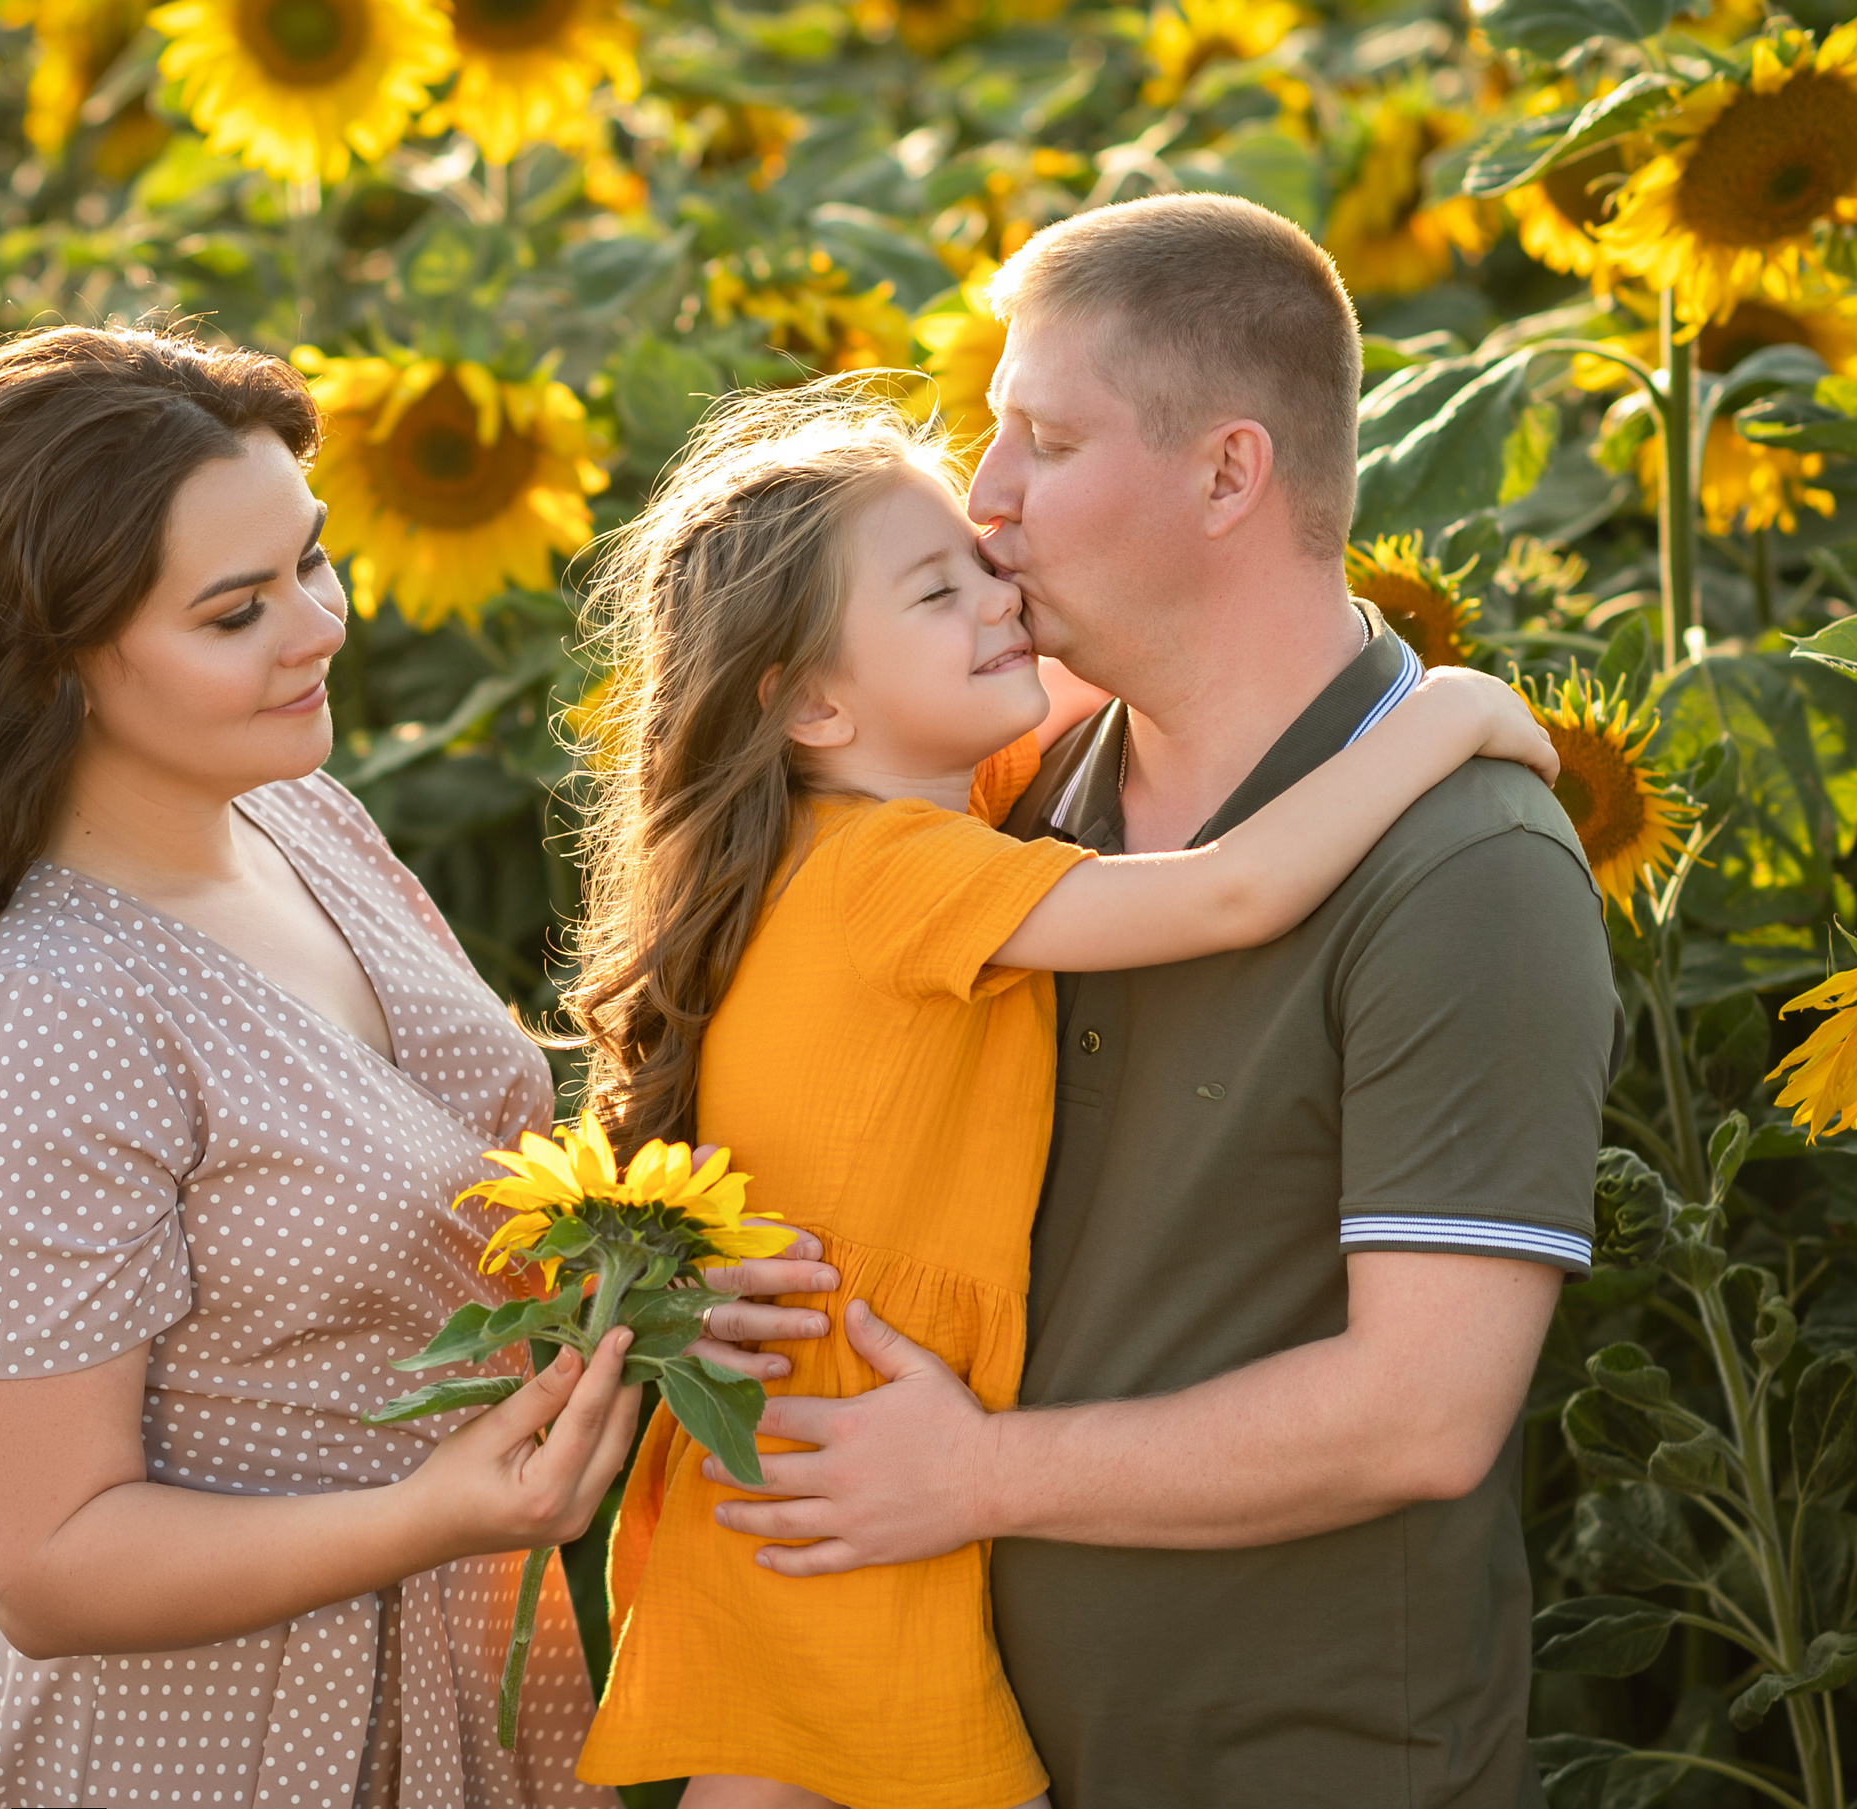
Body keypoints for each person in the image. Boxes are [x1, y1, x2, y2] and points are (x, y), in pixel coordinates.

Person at [0, 326, 827, 1808]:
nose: (318, 628)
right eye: (236, 611)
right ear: (55, 663)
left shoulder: (299, 819)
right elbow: (47, 1560)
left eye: (312, 562)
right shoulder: (43, 1011)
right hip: (210, 1737)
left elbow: (439, 1229)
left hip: (459, 1671)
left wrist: (657, 1285)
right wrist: (428, 1514)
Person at [694, 197, 1623, 1807]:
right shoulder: (1005, 788)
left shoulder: (1464, 866)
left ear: (1228, 474)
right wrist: (743, 1286)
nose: (985, 498)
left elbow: (1416, 1416)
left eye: (1046, 441)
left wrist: (977, 1473)